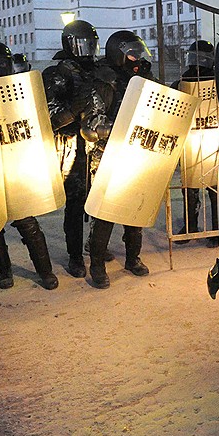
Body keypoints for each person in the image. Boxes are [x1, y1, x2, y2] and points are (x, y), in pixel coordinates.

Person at [0, 41, 59, 291]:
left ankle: (45, 271)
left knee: (27, 222)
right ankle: (4, 270)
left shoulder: (19, 91)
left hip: (15, 164)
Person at [83, 30, 158, 286]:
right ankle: (96, 265)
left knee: (135, 207)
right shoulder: (103, 80)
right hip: (109, 151)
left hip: (139, 149)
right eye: (130, 51)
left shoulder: (145, 77)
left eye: (138, 51)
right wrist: (121, 126)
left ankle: (133, 258)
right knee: (105, 212)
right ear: (119, 52)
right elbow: (93, 122)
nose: (136, 57)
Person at [42, 19, 109, 280]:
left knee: (101, 201)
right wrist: (73, 110)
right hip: (72, 149)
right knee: (75, 204)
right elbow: (50, 119)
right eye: (82, 44)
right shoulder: (57, 74)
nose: (87, 50)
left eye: (91, 44)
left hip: (99, 146)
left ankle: (96, 248)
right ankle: (74, 256)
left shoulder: (99, 70)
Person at [171, 40, 219, 247]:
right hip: (191, 139)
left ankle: (216, 228)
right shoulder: (183, 81)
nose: (197, 63)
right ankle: (192, 226)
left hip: (213, 136)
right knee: (189, 186)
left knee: (214, 187)